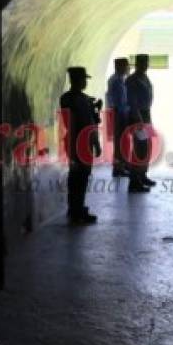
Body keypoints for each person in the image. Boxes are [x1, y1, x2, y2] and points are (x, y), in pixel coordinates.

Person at [60, 67, 101, 223]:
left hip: (84, 141)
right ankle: (76, 209)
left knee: (81, 176)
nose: (85, 82)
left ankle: (77, 208)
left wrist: (94, 109)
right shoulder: (72, 99)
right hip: (77, 141)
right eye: (83, 79)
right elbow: (74, 122)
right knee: (77, 177)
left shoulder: (76, 98)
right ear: (76, 80)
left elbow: (92, 122)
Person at [125, 53, 157, 193]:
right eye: (143, 62)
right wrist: (138, 120)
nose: (145, 64)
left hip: (146, 114)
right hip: (138, 116)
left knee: (147, 146)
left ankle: (142, 175)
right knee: (139, 148)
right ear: (137, 64)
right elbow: (132, 102)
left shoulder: (144, 77)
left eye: (146, 62)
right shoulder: (132, 80)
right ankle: (134, 181)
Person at [106, 58, 131, 178]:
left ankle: (122, 165)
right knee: (120, 141)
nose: (128, 68)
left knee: (121, 141)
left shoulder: (118, 79)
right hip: (118, 114)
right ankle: (118, 167)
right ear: (120, 67)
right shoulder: (116, 80)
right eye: (126, 66)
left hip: (120, 113)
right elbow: (118, 101)